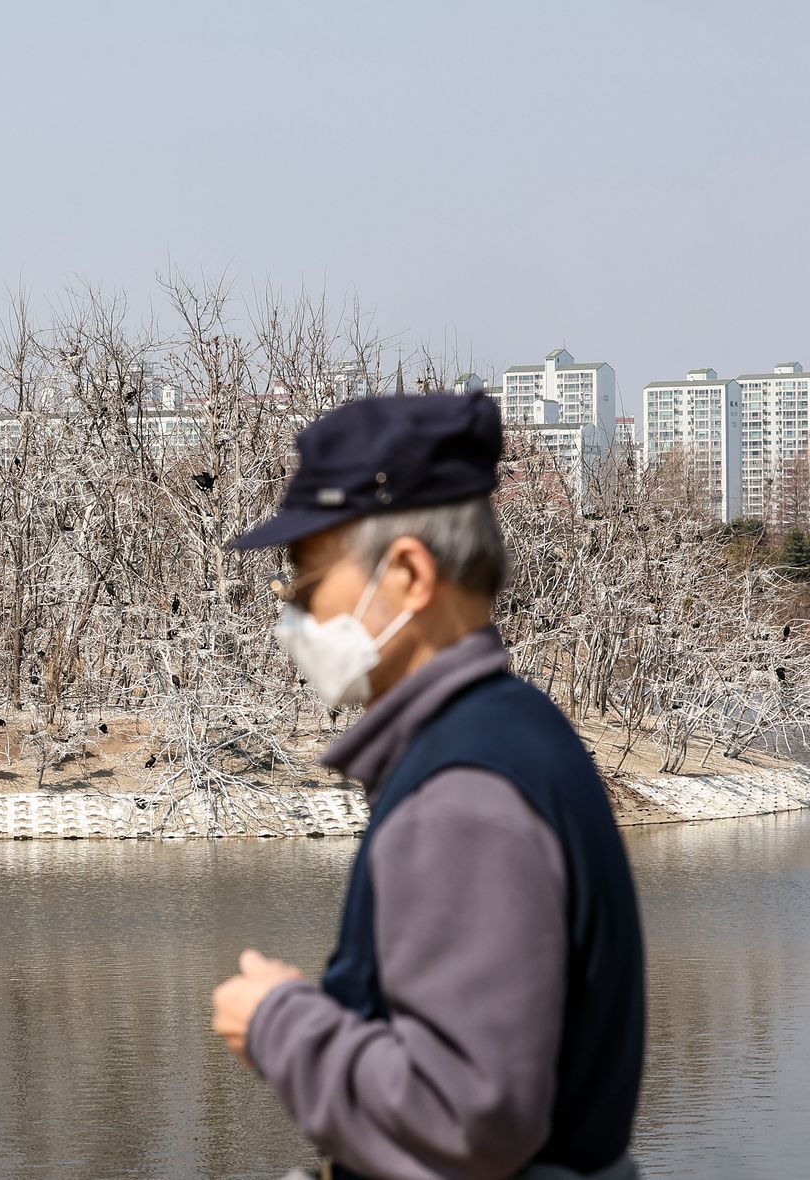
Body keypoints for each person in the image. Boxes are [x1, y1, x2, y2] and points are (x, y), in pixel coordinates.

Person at [207, 391, 645, 1180]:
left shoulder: (461, 798)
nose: (293, 615)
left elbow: (466, 1117)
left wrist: (279, 1024)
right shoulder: (507, 729)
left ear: (408, 574)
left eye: (307, 583)